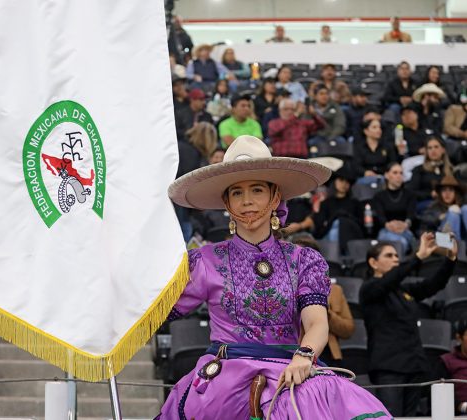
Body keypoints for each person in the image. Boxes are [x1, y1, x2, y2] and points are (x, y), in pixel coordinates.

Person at [160, 135, 390, 419]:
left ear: (275, 196)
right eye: (236, 193)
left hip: (292, 367)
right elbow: (156, 313)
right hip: (227, 376)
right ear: (226, 202)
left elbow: (317, 323)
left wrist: (304, 357)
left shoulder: (304, 260)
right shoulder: (204, 261)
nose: (247, 202)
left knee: (320, 398)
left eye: (257, 190)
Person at [360, 235, 457, 416]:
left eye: (397, 255)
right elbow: (390, 280)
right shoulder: (369, 289)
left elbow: (432, 285)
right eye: (389, 256)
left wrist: (450, 260)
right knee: (391, 417)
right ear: (373, 263)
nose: (396, 259)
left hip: (413, 365)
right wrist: (417, 256)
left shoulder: (402, 290)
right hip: (388, 368)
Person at [289, 237, 354, 367]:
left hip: (329, 354)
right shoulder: (281, 290)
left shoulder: (335, 290)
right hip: (294, 354)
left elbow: (348, 329)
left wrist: (325, 313)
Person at [285, 166, 364, 252]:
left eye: (348, 182)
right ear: (335, 181)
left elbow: (360, 223)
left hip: (351, 234)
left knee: (340, 222)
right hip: (329, 235)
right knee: (335, 226)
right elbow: (319, 227)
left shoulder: (355, 203)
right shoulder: (326, 203)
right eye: (341, 180)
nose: (344, 184)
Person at [373, 163, 417, 252]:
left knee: (408, 242)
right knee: (399, 242)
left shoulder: (410, 195)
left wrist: (405, 224)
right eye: (395, 173)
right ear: (387, 175)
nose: (399, 176)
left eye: (401, 173)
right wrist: (389, 225)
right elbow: (380, 216)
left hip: (405, 229)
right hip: (385, 229)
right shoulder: (379, 196)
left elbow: (411, 214)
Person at [407, 136, 453, 206]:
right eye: (430, 148)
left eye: (436, 147)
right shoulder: (419, 170)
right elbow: (411, 192)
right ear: (426, 151)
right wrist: (429, 194)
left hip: (449, 204)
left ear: (443, 150)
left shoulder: (451, 170)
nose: (433, 150)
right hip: (427, 204)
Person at [419, 175, 467, 240]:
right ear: (440, 193)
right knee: (453, 214)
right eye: (444, 190)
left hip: (463, 237)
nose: (447, 194)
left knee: (465, 209)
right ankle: (453, 247)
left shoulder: (462, 205)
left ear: (456, 193)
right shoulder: (435, 206)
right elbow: (426, 221)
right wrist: (443, 216)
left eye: (450, 190)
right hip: (442, 239)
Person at [440, 320, 467, 416]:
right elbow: (440, 394)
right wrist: (462, 406)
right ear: (459, 337)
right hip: (458, 414)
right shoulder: (447, 361)